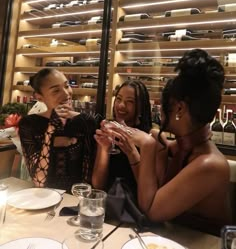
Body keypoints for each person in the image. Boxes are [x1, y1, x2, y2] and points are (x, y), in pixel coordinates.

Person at [108, 49, 231, 235]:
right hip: (169, 238)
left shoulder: (210, 164)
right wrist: (140, 151)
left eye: (165, 103)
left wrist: (148, 146)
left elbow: (151, 210)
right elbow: (152, 188)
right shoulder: (180, 148)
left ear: (180, 109)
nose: (160, 110)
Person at [18, 68, 97, 192]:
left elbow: (88, 176)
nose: (66, 94)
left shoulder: (85, 122)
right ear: (39, 97)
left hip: (76, 199)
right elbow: (39, 181)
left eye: (67, 86)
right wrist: (50, 129)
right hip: (43, 198)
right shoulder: (29, 124)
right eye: (56, 91)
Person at [92, 79, 154, 196]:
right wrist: (104, 149)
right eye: (119, 99)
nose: (121, 105)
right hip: (109, 204)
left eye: (129, 101)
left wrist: (132, 152)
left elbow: (148, 191)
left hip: (135, 207)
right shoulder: (109, 132)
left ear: (141, 107)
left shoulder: (149, 138)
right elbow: (98, 185)